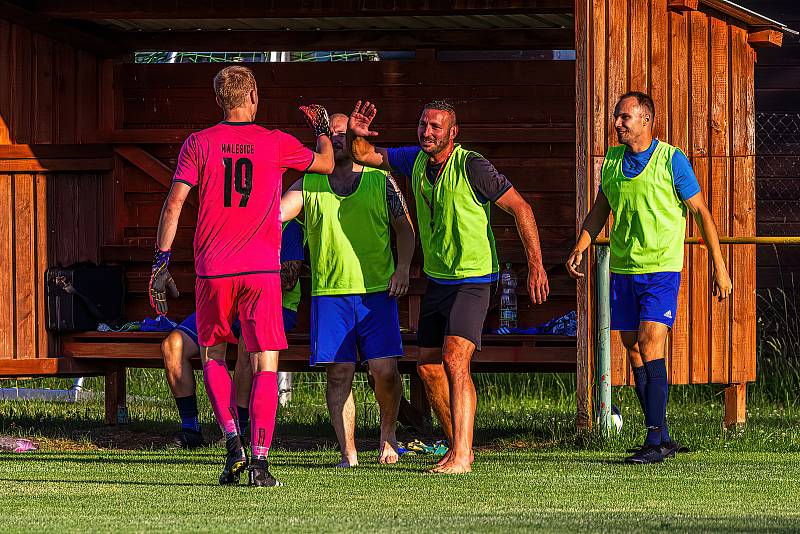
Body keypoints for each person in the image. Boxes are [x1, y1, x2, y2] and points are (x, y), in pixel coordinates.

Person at [149, 65, 334, 486]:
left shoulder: (198, 143)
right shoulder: (274, 142)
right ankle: (261, 462)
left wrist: (160, 264)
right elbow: (325, 162)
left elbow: (174, 204)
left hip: (213, 270)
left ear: (219, 100)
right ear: (253, 96)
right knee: (265, 361)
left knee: (213, 355)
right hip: (261, 271)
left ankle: (233, 446)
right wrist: (322, 126)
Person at [346, 100, 549, 474]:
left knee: (455, 357)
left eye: (436, 127)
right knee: (428, 368)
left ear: (452, 134)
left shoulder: (472, 166)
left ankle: (461, 456)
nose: (427, 132)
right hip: (440, 279)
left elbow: (521, 208)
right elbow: (364, 154)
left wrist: (536, 265)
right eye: (423, 124)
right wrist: (355, 134)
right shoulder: (415, 159)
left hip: (474, 277)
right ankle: (460, 445)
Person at [565, 91, 733, 464]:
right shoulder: (611, 161)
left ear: (646, 120)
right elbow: (599, 211)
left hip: (661, 269)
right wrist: (580, 246)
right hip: (624, 270)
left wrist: (719, 267)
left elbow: (702, 214)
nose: (618, 123)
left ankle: (654, 441)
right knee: (634, 349)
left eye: (625, 117)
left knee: (650, 342)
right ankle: (663, 434)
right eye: (616, 117)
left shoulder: (672, 160)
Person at [281, 113, 416, 467]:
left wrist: (402, 268)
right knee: (338, 372)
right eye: (330, 135)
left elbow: (405, 228)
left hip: (377, 292)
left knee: (384, 371)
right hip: (330, 294)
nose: (337, 140)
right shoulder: (309, 183)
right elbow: (278, 212)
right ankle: (349, 454)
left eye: (342, 134)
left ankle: (388, 437)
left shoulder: (379, 178)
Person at [161, 220, 305, 450]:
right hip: (225, 301)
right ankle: (191, 430)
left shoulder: (288, 225)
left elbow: (289, 280)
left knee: (247, 347)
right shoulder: (228, 219)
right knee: (173, 345)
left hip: (272, 304)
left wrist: (247, 274)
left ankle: (239, 430)